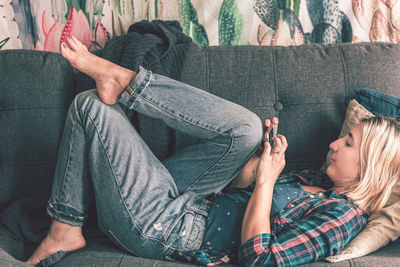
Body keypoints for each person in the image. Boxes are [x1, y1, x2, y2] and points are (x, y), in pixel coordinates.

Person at [26, 36, 400, 267]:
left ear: (371, 168)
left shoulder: (342, 219)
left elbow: (260, 258)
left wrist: (268, 183)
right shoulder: (317, 181)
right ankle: (126, 81)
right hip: (193, 199)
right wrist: (258, 164)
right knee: (248, 129)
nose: (334, 144)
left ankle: (64, 227)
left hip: (169, 228)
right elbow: (236, 191)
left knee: (90, 105)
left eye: (348, 143)